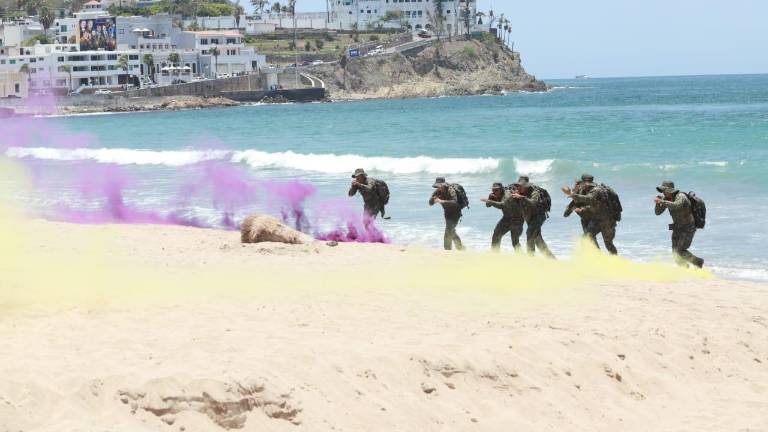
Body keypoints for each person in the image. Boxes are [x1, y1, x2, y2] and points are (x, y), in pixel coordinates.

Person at [561, 174, 619, 255]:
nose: (579, 186)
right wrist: (572, 205)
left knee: (608, 244)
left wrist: (572, 195)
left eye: (581, 184)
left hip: (607, 221)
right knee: (587, 237)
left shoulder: (597, 190)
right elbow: (566, 213)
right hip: (597, 220)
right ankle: (600, 258)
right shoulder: (584, 192)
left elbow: (590, 199)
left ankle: (615, 262)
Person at [654, 181, 704, 268]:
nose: (663, 193)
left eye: (664, 191)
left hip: (688, 228)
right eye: (662, 191)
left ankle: (698, 262)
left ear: (669, 190)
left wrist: (662, 201)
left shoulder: (681, 196)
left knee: (680, 251)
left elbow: (677, 205)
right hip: (677, 227)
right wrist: (658, 203)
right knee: (675, 253)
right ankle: (684, 269)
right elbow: (657, 212)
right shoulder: (667, 199)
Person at [511, 176, 555, 258]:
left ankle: (531, 258)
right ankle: (551, 259)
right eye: (518, 185)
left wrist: (522, 197)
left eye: (521, 186)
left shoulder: (534, 192)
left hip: (539, 216)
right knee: (538, 240)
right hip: (529, 217)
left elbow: (534, 203)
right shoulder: (518, 191)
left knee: (530, 233)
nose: (519, 187)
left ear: (526, 186)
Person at [481, 182, 524, 252]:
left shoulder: (507, 195)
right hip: (507, 218)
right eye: (493, 190)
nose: (494, 192)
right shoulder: (497, 195)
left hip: (517, 220)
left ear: (501, 189)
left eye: (496, 190)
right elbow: (488, 205)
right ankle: (496, 256)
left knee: (515, 242)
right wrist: (490, 198)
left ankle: (523, 258)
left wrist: (491, 201)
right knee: (496, 235)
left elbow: (502, 205)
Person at [429, 177, 464, 251]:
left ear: (443, 185)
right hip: (447, 213)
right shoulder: (437, 191)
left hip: (456, 212)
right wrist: (433, 199)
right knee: (451, 231)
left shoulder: (451, 190)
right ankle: (461, 248)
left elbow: (455, 202)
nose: (438, 188)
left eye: (439, 186)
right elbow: (430, 203)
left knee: (448, 232)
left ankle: (447, 251)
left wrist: (442, 201)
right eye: (437, 186)